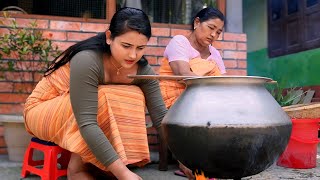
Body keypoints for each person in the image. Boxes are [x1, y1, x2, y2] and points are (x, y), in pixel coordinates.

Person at [23, 7, 167, 180]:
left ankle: (101, 166)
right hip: (42, 109)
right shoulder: (88, 60)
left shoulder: (142, 70)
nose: (133, 54)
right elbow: (87, 122)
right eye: (126, 46)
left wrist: (187, 161)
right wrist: (123, 174)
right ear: (109, 38)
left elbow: (161, 119)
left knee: (132, 94)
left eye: (141, 48)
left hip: (74, 114)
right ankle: (76, 169)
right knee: (103, 97)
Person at [159, 7, 226, 180]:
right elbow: (183, 74)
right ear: (197, 22)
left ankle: (212, 163)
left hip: (204, 98)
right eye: (211, 28)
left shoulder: (215, 54)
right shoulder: (180, 42)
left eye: (218, 32)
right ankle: (190, 165)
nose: (213, 35)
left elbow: (223, 83)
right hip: (176, 98)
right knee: (200, 114)